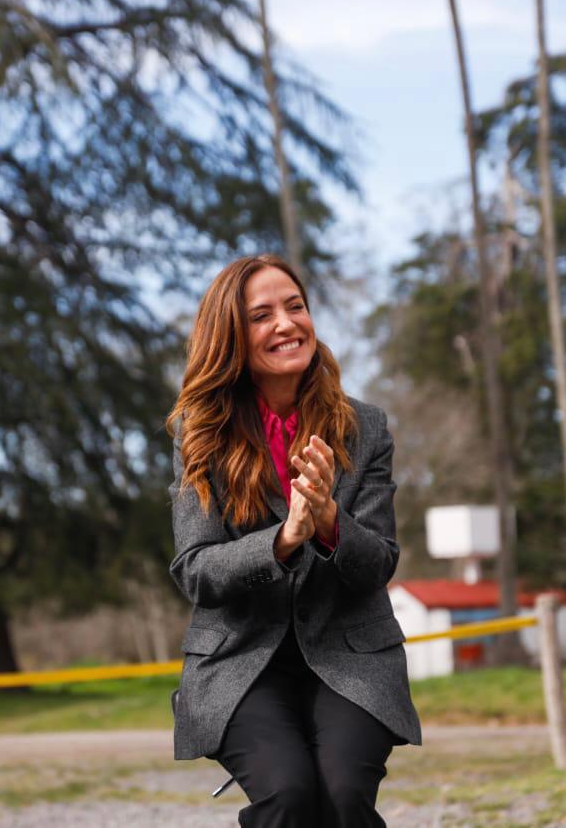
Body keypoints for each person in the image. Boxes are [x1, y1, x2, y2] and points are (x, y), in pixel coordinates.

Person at [166, 255, 420, 827]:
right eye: (262, 315)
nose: (286, 323)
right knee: (287, 796)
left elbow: (379, 563)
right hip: (240, 661)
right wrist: (283, 540)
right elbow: (197, 571)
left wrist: (330, 522)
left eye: (295, 306)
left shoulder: (366, 427)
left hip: (351, 656)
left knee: (343, 799)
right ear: (231, 336)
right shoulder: (199, 433)